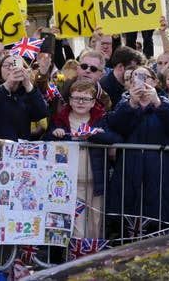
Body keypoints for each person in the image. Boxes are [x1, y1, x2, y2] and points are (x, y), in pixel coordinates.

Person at [107, 66, 169, 230]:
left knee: (161, 218)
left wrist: (157, 103)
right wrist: (132, 103)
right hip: (132, 169)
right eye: (134, 77)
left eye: (144, 76)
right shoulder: (124, 103)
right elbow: (115, 127)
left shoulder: (167, 102)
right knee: (131, 221)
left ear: (154, 81)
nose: (139, 79)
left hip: (162, 170)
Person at [46, 80, 121, 238]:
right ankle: (79, 260)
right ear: (70, 101)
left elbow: (115, 138)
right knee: (78, 231)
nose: (80, 102)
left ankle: (95, 260)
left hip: (96, 184)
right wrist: (56, 132)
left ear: (93, 102)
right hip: (70, 184)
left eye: (85, 99)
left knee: (96, 227)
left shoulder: (102, 119)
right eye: (76, 98)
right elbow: (47, 138)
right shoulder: (60, 120)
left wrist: (95, 134)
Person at [0, 54, 48, 140]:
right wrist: (8, 84)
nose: (11, 68)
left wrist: (28, 85)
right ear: (0, 69)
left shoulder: (28, 92)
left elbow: (41, 113)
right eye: (6, 65)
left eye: (14, 65)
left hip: (20, 148)